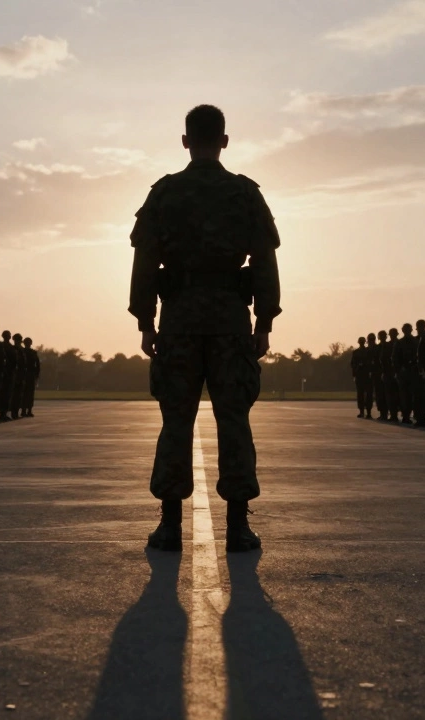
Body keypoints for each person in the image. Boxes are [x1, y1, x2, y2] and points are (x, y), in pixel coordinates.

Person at [128, 104, 280, 553]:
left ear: (185, 141)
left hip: (178, 319)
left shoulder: (165, 193)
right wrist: (264, 320)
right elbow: (265, 260)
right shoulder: (244, 193)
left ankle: (170, 525)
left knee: (176, 419)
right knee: (234, 418)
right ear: (225, 141)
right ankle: (238, 527)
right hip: (231, 319)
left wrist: (145, 320)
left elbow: (144, 260)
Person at [394, 323, 418, 424]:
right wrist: (399, 369)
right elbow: (395, 358)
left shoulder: (416, 342)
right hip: (403, 373)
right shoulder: (399, 343)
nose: (407, 331)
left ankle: (417, 415)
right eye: (405, 330)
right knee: (404, 396)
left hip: (414, 371)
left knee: (415, 395)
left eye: (408, 330)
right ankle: (406, 415)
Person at [382, 328, 400, 422]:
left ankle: (399, 414)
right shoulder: (387, 345)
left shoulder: (399, 344)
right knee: (391, 395)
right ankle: (393, 414)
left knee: (400, 395)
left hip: (399, 372)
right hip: (390, 373)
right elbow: (383, 360)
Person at [350, 336, 370, 418]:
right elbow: (352, 364)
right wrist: (355, 373)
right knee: (360, 394)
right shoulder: (355, 352)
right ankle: (361, 411)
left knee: (368, 394)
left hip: (367, 374)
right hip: (359, 375)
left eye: (362, 341)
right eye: (360, 341)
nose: (361, 343)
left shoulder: (368, 351)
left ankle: (368, 412)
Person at [372, 331, 388, 421]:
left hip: (387, 373)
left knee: (389, 395)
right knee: (380, 395)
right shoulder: (376, 348)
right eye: (381, 336)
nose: (382, 338)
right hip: (378, 374)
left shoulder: (389, 346)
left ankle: (389, 413)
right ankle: (383, 413)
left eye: (383, 336)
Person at [23, 337, 39, 417]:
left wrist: (36, 375)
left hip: (30, 374)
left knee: (30, 393)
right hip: (24, 375)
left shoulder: (33, 353)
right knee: (25, 393)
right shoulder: (22, 351)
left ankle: (28, 410)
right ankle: (24, 410)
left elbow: (37, 365)